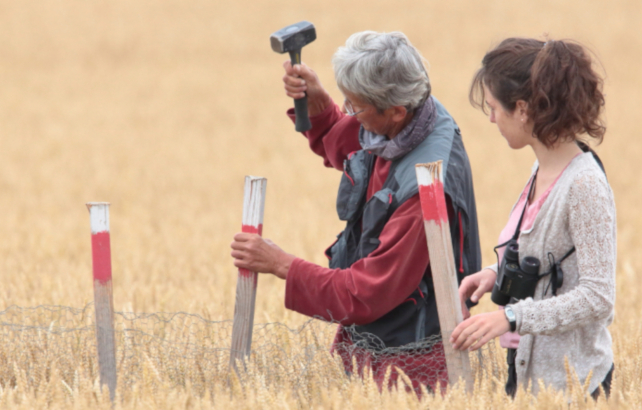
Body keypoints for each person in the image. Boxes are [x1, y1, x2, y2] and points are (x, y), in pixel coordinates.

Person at [230, 31, 480, 393]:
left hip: (412, 370)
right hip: (371, 352)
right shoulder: (410, 116)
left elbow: (366, 293)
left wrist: (282, 265)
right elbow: (349, 141)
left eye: (355, 106)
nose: (350, 113)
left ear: (395, 109)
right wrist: (319, 104)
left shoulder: (424, 189)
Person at [450, 37, 615, 398]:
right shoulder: (542, 169)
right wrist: (495, 274)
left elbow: (598, 297)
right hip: (532, 382)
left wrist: (510, 318)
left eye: (494, 107)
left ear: (522, 109)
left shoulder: (583, 185)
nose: (492, 118)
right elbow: (546, 259)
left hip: (575, 389)